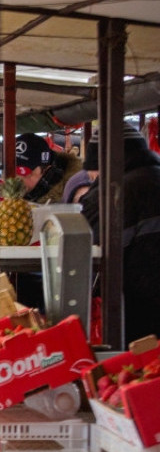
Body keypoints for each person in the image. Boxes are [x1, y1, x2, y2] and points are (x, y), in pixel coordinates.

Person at [78, 123, 160, 343]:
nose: (91, 176)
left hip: (134, 314)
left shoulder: (112, 194)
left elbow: (87, 248)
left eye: (93, 169)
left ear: (105, 163)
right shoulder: (153, 177)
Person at [14, 132, 80, 205]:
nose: (16, 178)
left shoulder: (73, 198)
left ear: (46, 170)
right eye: (10, 171)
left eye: (24, 173)